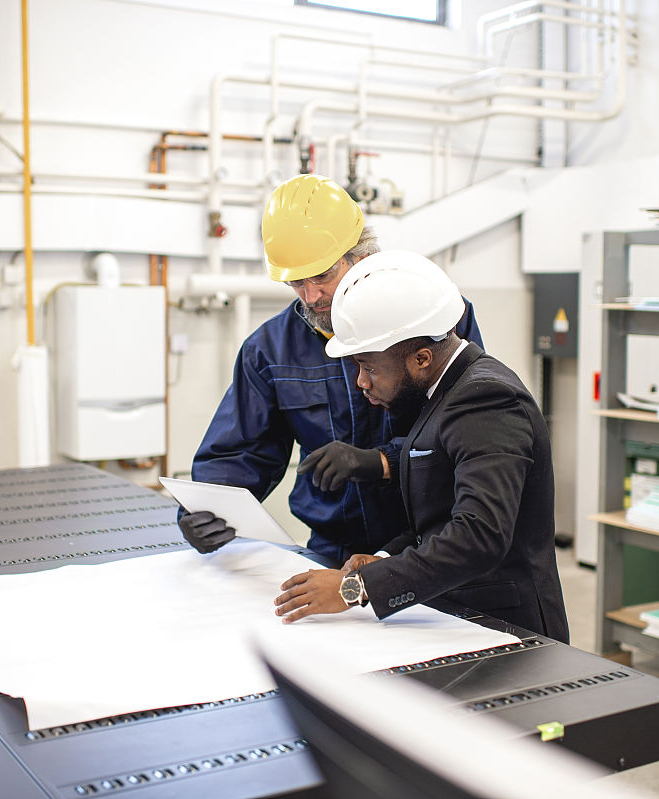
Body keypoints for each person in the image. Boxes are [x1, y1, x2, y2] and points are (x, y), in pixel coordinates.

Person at [179, 174, 484, 563]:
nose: (311, 296)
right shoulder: (270, 350)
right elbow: (241, 452)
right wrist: (206, 508)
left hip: (433, 544)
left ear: (362, 254)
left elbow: (469, 433)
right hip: (333, 551)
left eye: (322, 275)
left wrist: (384, 461)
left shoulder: (435, 314)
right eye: (295, 282)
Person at [272, 251, 569, 641]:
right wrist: (380, 561)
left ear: (421, 358)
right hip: (461, 619)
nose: (361, 382)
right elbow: (438, 520)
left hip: (512, 633)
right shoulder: (442, 393)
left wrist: (356, 589)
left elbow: (479, 536)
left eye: (369, 366)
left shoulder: (487, 400)